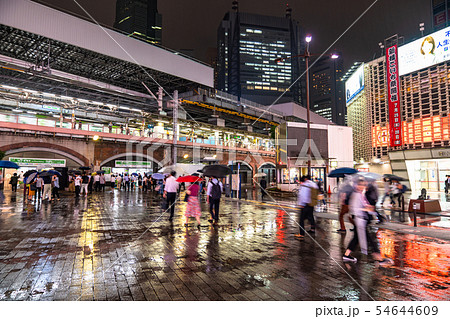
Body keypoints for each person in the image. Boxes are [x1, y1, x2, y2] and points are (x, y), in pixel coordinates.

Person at [343, 178, 391, 266]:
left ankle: (347, 255)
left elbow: (364, 204)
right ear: (356, 185)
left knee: (356, 238)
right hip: (359, 220)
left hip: (361, 220)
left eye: (364, 185)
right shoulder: (356, 195)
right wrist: (365, 208)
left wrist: (368, 207)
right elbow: (354, 209)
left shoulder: (360, 194)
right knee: (370, 240)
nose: (362, 186)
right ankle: (379, 258)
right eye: (360, 185)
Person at [296, 175, 318, 239]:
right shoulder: (313, 184)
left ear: (305, 179)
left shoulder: (305, 185)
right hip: (311, 204)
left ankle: (301, 234)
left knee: (301, 220)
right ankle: (312, 229)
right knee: (311, 217)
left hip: (305, 204)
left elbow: (302, 195)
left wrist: (301, 203)